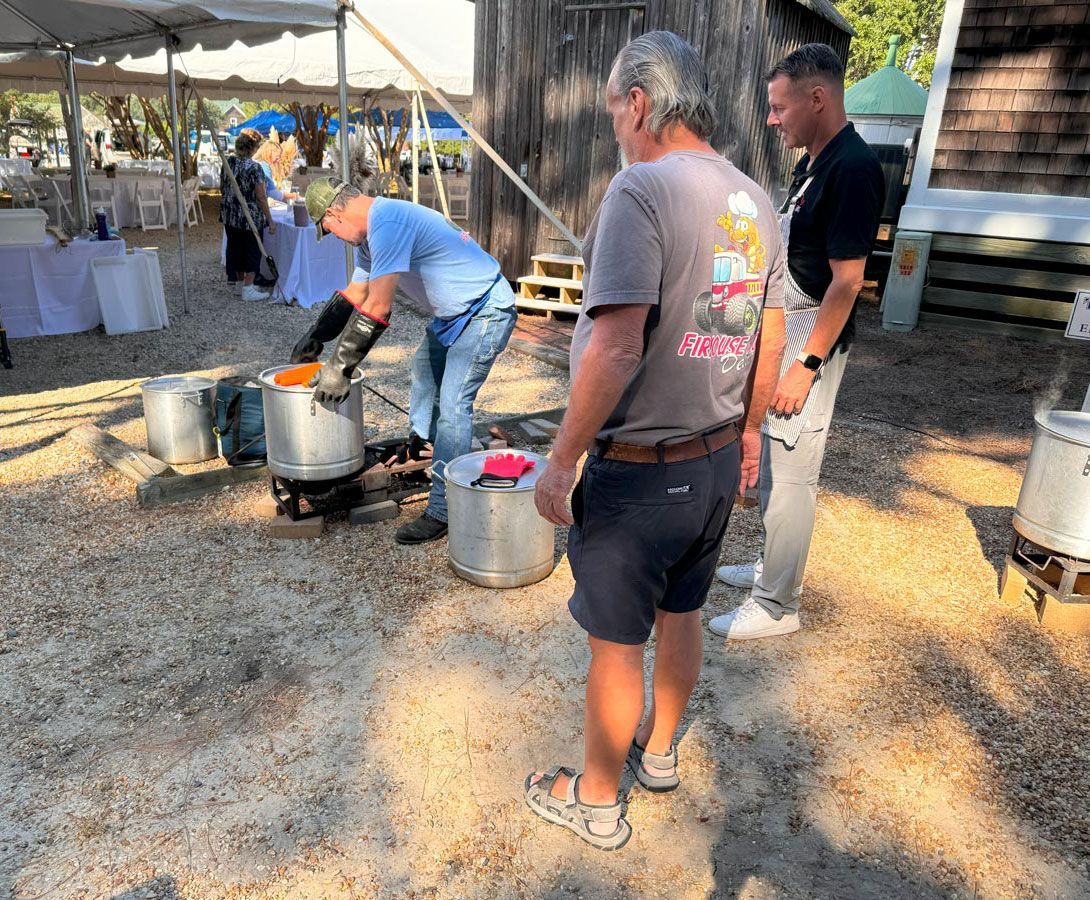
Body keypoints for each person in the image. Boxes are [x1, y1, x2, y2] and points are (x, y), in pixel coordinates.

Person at [526, 31, 786, 850]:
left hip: (643, 469)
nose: (615, 130)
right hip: (712, 458)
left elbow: (615, 346)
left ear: (638, 101)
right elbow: (767, 335)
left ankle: (597, 800)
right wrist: (748, 436)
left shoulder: (640, 191)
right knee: (684, 610)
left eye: (613, 113)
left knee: (615, 641)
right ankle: (661, 752)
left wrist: (561, 458)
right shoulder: (755, 199)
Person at [709, 44, 884, 641]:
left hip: (814, 331)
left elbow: (848, 279)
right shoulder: (813, 160)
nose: (771, 119)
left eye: (780, 107)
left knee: (791, 470)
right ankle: (769, 568)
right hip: (790, 320)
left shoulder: (854, 167)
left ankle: (779, 603)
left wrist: (805, 364)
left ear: (818, 98)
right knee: (771, 462)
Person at [291, 176, 517, 544]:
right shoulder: (370, 236)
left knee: (455, 406)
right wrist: (316, 336)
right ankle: (422, 446)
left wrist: (339, 368)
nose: (331, 235)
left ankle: (445, 508)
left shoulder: (387, 225)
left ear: (333, 213)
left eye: (327, 229)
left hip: (486, 311)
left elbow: (379, 306)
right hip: (454, 315)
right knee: (423, 370)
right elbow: (357, 293)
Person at [220, 128, 275, 302]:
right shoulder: (254, 168)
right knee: (251, 251)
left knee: (236, 248)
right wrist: (270, 220)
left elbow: (222, 187)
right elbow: (261, 196)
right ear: (253, 148)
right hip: (248, 216)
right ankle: (248, 288)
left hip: (230, 213)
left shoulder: (228, 162)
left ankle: (239, 284)